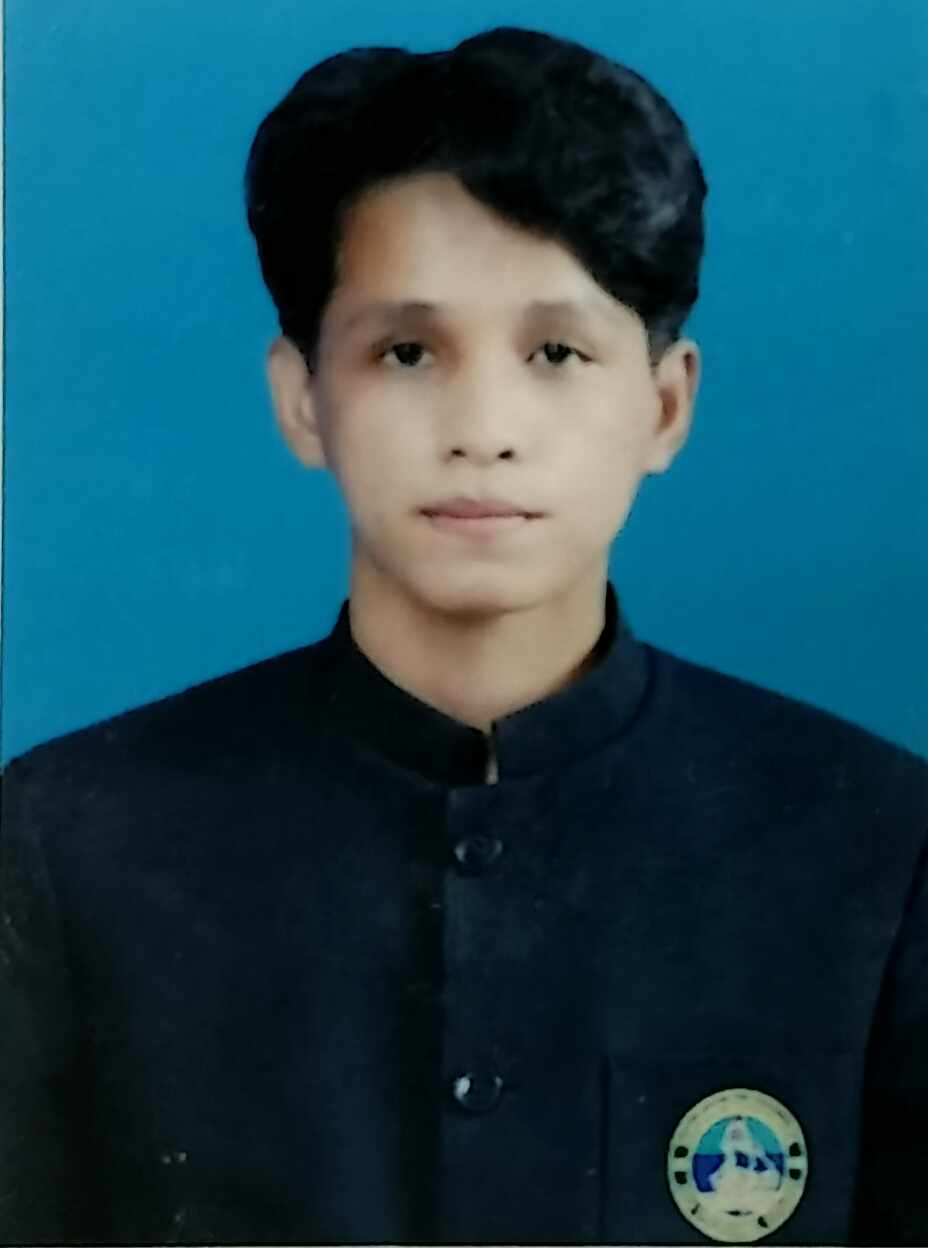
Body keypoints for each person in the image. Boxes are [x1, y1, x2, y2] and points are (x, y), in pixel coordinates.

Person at [1, 24, 925, 1246]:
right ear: (302, 399)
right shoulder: (71, 842)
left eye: (555, 351)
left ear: (663, 405)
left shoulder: (874, 842)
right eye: (404, 352)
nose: (483, 427)